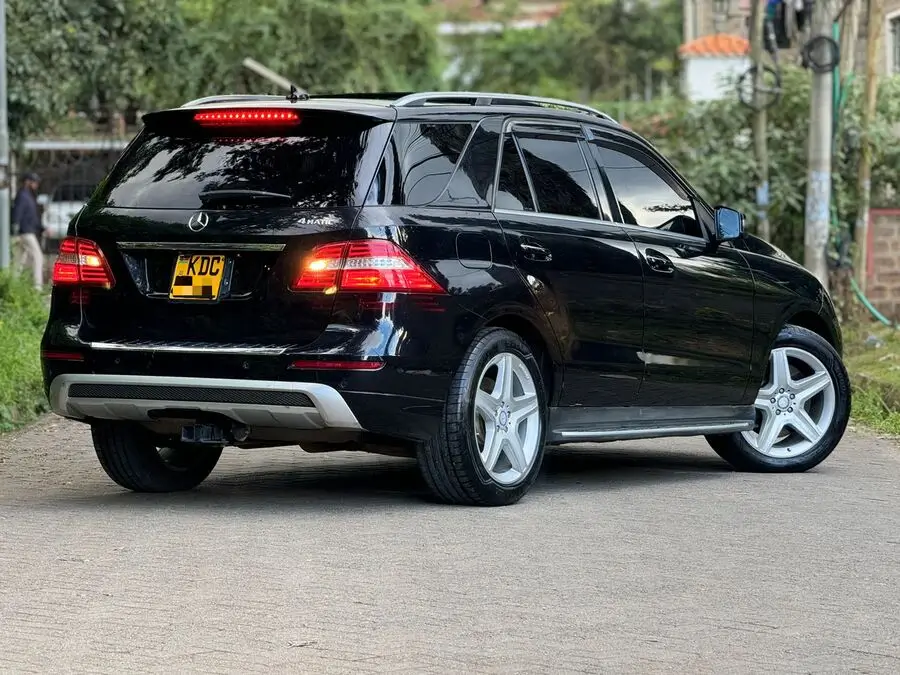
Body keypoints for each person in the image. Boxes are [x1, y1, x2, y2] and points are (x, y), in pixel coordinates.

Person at [11, 172, 44, 289]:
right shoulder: (23, 196)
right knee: (38, 257)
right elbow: (17, 213)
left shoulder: (29, 196)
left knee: (19, 261)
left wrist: (41, 228)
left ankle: (12, 285)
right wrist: (15, 229)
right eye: (34, 182)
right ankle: (37, 287)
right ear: (27, 182)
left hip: (26, 231)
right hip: (25, 232)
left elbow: (32, 216)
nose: (36, 185)